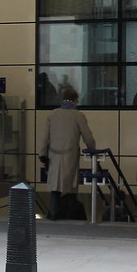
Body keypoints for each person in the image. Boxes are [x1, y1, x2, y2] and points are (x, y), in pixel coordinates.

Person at [38, 87, 96, 220]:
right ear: (75, 101)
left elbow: (45, 137)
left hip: (54, 156)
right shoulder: (78, 116)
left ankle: (53, 215)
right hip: (70, 156)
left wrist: (42, 154)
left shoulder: (52, 115)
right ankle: (70, 217)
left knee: (55, 188)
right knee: (71, 188)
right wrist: (92, 149)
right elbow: (88, 137)